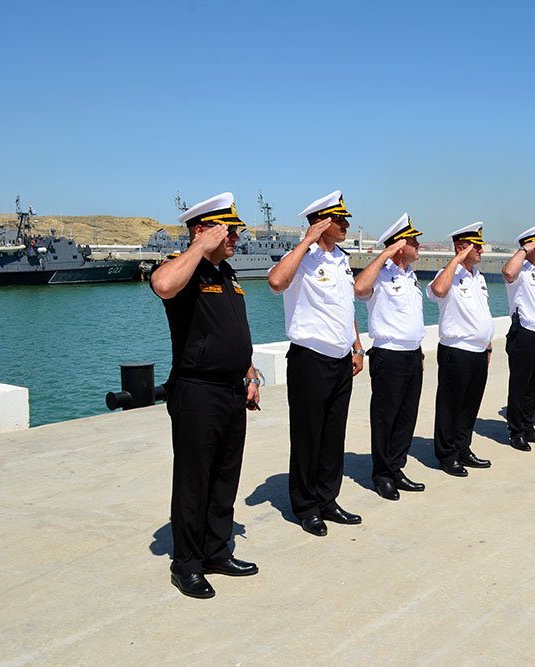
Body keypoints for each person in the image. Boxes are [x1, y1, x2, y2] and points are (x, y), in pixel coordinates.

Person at [151, 192, 261, 599]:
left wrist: (249, 373)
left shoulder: (227, 274)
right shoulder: (181, 270)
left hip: (233, 390)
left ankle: (216, 550)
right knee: (194, 481)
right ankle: (188, 564)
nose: (235, 236)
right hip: (197, 391)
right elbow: (162, 286)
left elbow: (232, 331)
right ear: (202, 230)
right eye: (227, 229)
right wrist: (198, 246)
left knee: (224, 476)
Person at [268, 190, 365, 538]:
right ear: (320, 222)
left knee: (333, 436)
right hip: (310, 359)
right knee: (308, 436)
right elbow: (276, 283)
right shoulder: (301, 259)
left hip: (340, 360)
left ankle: (328, 499)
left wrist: (357, 346)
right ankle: (306, 506)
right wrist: (306, 241)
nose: (346, 224)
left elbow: (345, 308)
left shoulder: (341, 258)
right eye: (338, 219)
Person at [354, 213, 426, 501]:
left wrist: (418, 351)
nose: (419, 245)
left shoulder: (411, 276)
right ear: (399, 246)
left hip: (412, 354)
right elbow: (359, 288)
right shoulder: (381, 276)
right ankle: (382, 474)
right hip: (389, 356)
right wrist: (385, 254)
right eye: (413, 241)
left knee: (406, 417)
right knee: (386, 417)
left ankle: (397, 467)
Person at [427, 222, 495, 476]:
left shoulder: (479, 277)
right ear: (461, 248)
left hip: (478, 352)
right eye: (477, 247)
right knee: (450, 406)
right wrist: (456, 260)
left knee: (470, 405)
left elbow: (482, 313)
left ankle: (463, 447)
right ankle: (447, 455)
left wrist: (487, 346)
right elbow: (438, 291)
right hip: (456, 350)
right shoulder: (449, 275)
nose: (482, 252)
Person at [502, 225, 535, 451]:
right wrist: (525, 250)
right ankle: (516, 432)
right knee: (520, 386)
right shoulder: (520, 271)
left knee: (534, 385)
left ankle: (528, 426)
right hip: (523, 334)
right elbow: (507, 272)